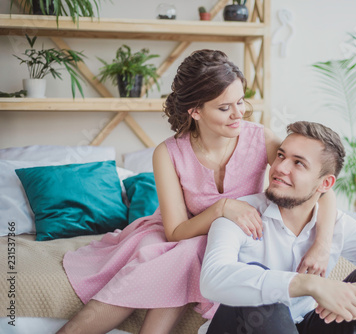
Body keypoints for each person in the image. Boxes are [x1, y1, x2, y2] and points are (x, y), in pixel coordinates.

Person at [58, 50, 339, 334]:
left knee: (187, 254)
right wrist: (222, 208)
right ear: (195, 111)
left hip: (230, 238)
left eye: (240, 101)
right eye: (224, 107)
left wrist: (322, 244)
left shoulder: (260, 138)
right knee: (173, 251)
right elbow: (175, 232)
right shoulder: (168, 153)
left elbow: (320, 189)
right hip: (182, 231)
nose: (238, 113)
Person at [200, 121, 356, 334]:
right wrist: (309, 284)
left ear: (325, 184)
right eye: (281, 155)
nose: (279, 168)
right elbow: (212, 279)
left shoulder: (336, 225)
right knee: (263, 290)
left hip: (304, 324)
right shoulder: (241, 215)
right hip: (240, 327)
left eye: (298, 163)